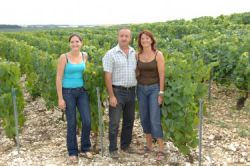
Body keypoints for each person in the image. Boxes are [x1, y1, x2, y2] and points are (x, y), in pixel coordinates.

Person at [56, 33, 93, 164]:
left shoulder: (85, 55)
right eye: (72, 42)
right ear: (69, 44)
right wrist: (60, 98)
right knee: (72, 122)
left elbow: (85, 73)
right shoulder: (64, 57)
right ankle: (72, 151)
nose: (75, 44)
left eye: (77, 41)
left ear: (81, 43)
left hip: (82, 91)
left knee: (87, 120)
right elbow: (59, 78)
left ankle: (85, 148)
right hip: (68, 92)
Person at [102, 28, 137, 159]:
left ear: (130, 38)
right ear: (118, 37)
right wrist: (111, 95)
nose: (124, 38)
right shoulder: (110, 54)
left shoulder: (135, 53)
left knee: (129, 120)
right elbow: (107, 76)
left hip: (131, 91)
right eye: (122, 36)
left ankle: (125, 145)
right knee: (114, 122)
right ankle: (112, 148)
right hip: (117, 91)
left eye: (126, 36)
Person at [136, 30, 165, 161]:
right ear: (140, 41)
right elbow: (137, 73)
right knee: (144, 117)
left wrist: (161, 93)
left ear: (152, 40)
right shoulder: (137, 55)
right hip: (141, 89)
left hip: (154, 89)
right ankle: (148, 146)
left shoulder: (158, 54)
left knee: (154, 118)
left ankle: (161, 149)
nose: (145, 40)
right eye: (142, 39)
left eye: (147, 38)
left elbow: (161, 75)